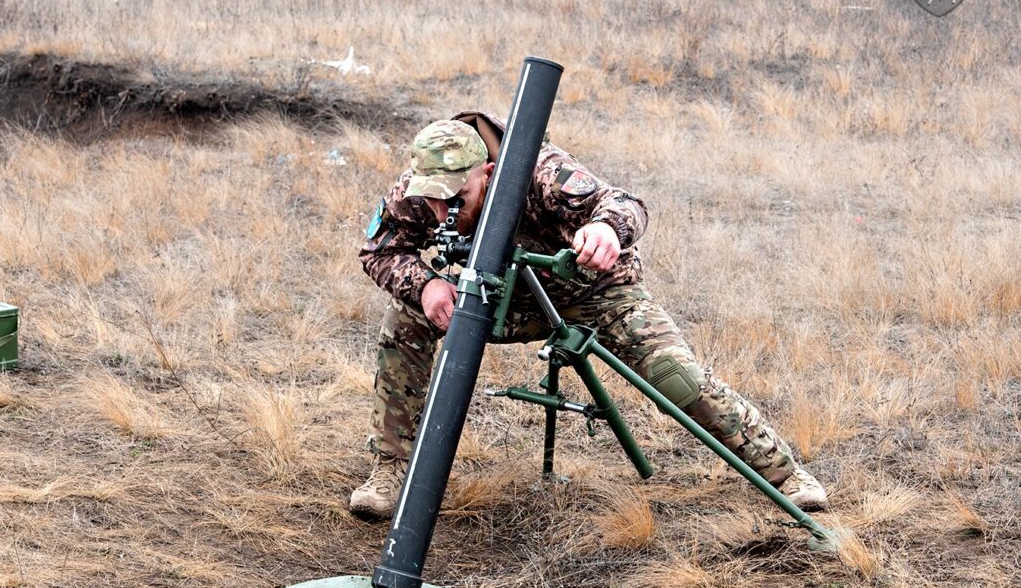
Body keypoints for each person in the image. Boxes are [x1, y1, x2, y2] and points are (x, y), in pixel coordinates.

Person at [350, 113, 828, 518]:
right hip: (508, 296)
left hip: (598, 292)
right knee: (404, 318)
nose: (440, 208)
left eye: (456, 194)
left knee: (675, 376)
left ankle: (783, 473)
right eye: (432, 196)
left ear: (490, 173)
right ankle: (391, 470)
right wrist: (427, 284)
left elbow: (626, 204)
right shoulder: (418, 191)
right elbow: (379, 249)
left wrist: (605, 229)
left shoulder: (542, 172)